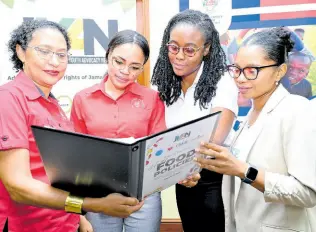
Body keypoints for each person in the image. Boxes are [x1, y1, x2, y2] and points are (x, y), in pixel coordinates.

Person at [0, 20, 145, 232]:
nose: (54, 61)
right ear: (21, 52)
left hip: (63, 224)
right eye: (44, 51)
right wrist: (91, 205)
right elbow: (18, 186)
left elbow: (60, 175)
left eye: (61, 54)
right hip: (27, 225)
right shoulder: (9, 99)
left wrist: (80, 219)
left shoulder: (53, 105)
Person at [70, 29, 200, 232]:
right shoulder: (82, 98)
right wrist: (80, 212)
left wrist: (181, 171)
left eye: (134, 67)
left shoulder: (152, 99)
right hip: (99, 195)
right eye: (118, 62)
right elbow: (76, 155)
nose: (125, 72)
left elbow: (161, 148)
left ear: (142, 68)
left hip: (143, 195)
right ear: (108, 55)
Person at [196, 27, 316, 232]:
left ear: (280, 71)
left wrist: (244, 171)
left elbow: (307, 193)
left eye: (252, 70)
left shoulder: (297, 110)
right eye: (236, 69)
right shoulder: (250, 116)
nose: (240, 78)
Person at [151, 9, 238, 232]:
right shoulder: (166, 86)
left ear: (206, 49)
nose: (179, 56)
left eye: (189, 50)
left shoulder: (222, 83)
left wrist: (186, 167)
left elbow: (213, 141)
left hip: (213, 182)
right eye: (173, 47)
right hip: (184, 180)